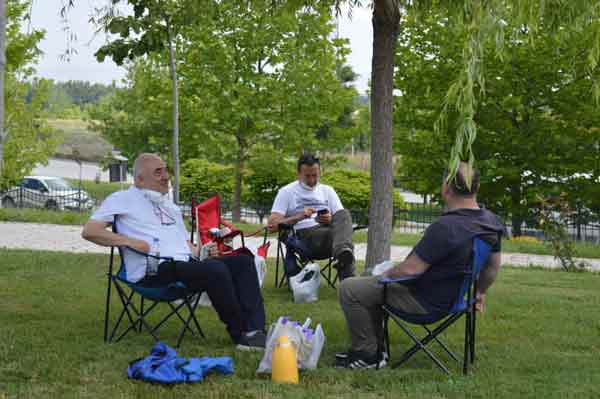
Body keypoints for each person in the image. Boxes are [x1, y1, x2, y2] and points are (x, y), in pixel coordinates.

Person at [82, 153, 267, 350]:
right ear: (140, 179)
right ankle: (240, 333)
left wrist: (203, 251)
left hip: (186, 267)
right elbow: (90, 231)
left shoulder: (170, 207)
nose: (166, 176)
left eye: (165, 170)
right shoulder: (122, 199)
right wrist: (129, 241)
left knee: (243, 262)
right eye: (158, 172)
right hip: (153, 271)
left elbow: (188, 247)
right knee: (215, 271)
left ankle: (256, 330)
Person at [336, 162, 506, 369]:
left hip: (423, 302)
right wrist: (480, 293)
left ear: (446, 188)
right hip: (454, 300)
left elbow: (411, 269)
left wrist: (385, 274)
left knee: (350, 288)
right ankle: (376, 347)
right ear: (476, 188)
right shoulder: (492, 221)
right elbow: (492, 267)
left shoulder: (446, 227)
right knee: (369, 283)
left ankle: (367, 354)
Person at [267, 153, 356, 280]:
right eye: (307, 176)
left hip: (330, 237)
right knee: (345, 244)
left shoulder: (327, 190)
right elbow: (271, 226)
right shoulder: (287, 192)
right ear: (298, 174)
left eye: (315, 175)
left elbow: (341, 219)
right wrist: (299, 216)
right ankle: (348, 279)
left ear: (320, 172)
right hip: (304, 239)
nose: (312, 180)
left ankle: (343, 256)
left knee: (344, 214)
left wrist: (329, 220)